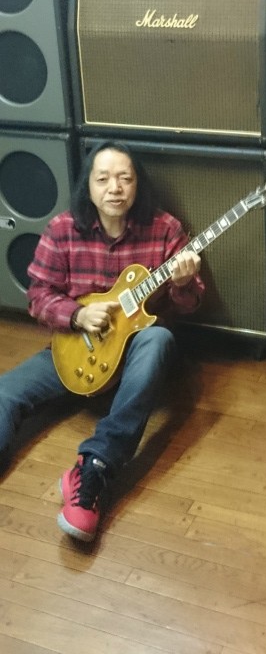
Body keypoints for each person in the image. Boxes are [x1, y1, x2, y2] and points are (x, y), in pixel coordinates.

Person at [0, 140, 204, 543]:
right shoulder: (62, 229)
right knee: (5, 393)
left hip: (133, 357)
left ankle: (95, 467)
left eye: (125, 178)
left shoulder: (165, 229)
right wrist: (76, 315)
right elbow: (37, 295)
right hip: (74, 348)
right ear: (88, 186)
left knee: (159, 339)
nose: (115, 188)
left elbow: (191, 302)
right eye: (104, 178)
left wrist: (182, 283)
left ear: (138, 185)